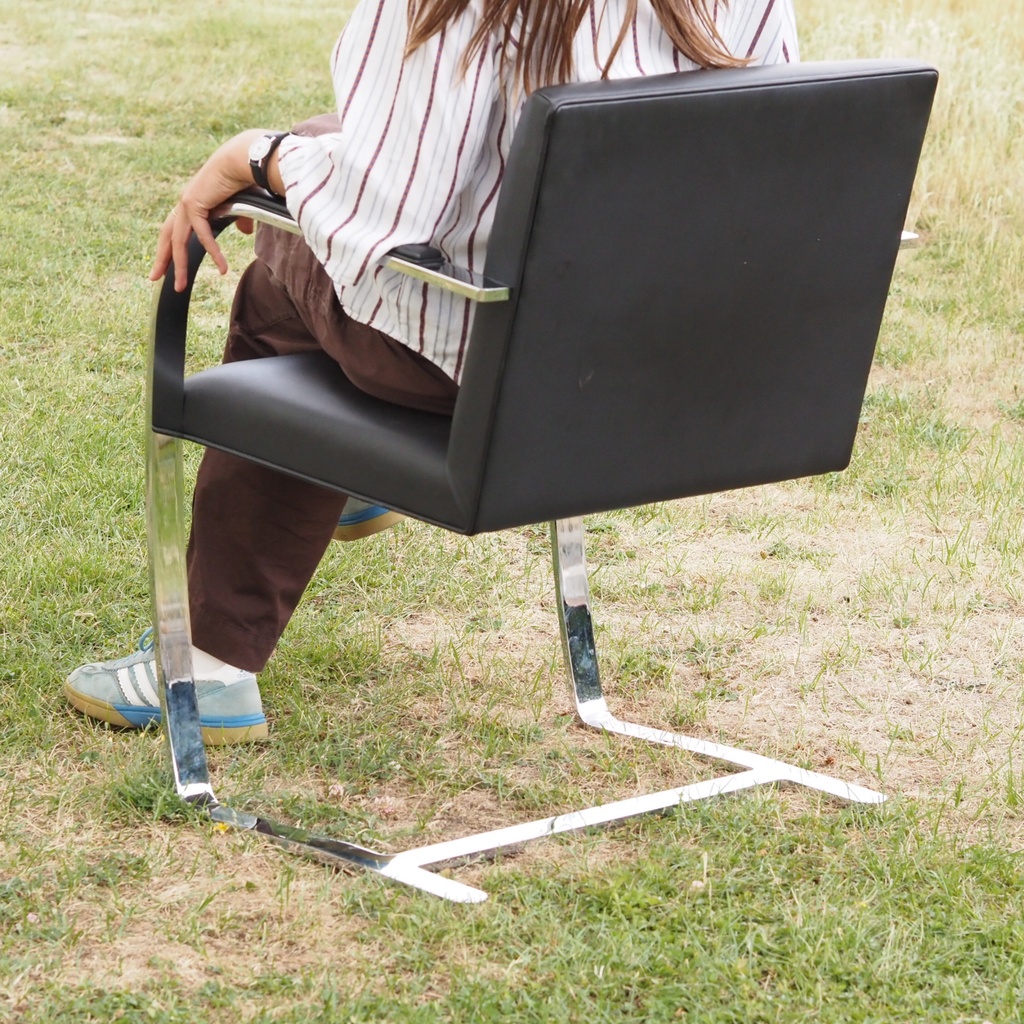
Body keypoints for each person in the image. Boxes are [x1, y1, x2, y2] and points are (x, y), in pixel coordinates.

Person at [65, 0, 799, 744]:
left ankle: (209, 664)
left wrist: (249, 159)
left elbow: (383, 209)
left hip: (485, 374)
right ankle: (341, 486)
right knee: (321, 148)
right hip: (668, 366)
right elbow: (775, 150)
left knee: (283, 262)